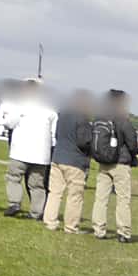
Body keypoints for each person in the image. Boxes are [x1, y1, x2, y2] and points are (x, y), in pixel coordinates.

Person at [0, 78, 56, 219]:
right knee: (37, 184)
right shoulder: (50, 109)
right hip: (41, 154)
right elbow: (53, 132)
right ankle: (37, 212)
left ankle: (14, 203)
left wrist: (2, 121)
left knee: (14, 177)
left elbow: (10, 123)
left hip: (21, 151)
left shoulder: (19, 106)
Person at [84, 89, 137, 243]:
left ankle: (99, 229)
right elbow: (132, 142)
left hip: (104, 163)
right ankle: (123, 232)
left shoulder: (101, 116)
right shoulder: (123, 119)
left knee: (101, 198)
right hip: (121, 163)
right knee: (123, 199)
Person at [42, 89, 93, 235]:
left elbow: (57, 134)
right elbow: (84, 141)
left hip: (58, 157)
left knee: (55, 192)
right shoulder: (82, 118)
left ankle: (50, 221)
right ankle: (71, 226)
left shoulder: (62, 115)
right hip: (75, 161)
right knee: (75, 195)